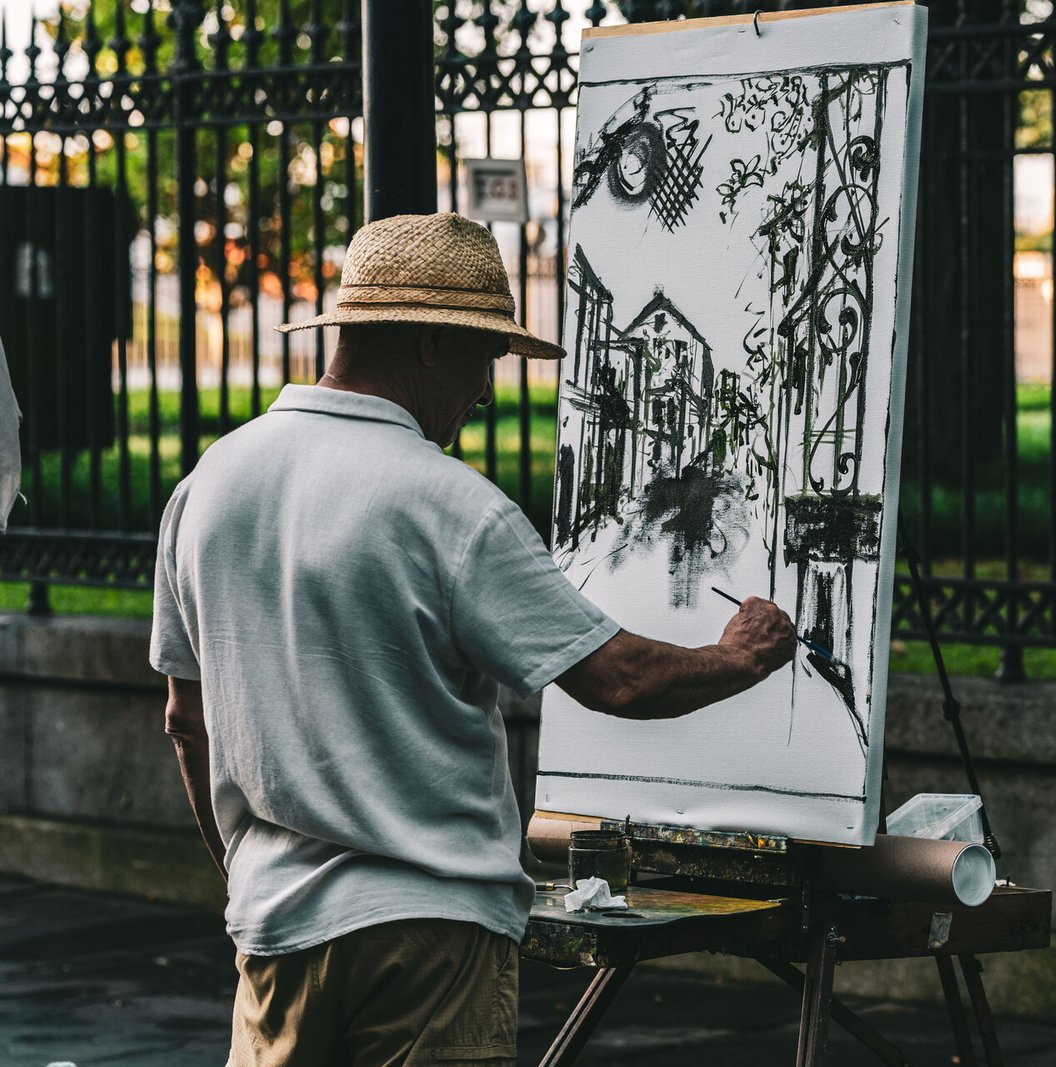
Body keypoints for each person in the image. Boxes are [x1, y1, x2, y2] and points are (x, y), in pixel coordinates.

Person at [151, 212, 796, 1065]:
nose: (487, 388)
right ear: (427, 343)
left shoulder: (208, 485)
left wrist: (245, 871)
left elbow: (186, 722)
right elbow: (620, 679)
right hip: (431, 940)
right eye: (482, 353)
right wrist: (739, 653)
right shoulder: (450, 505)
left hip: (277, 934)